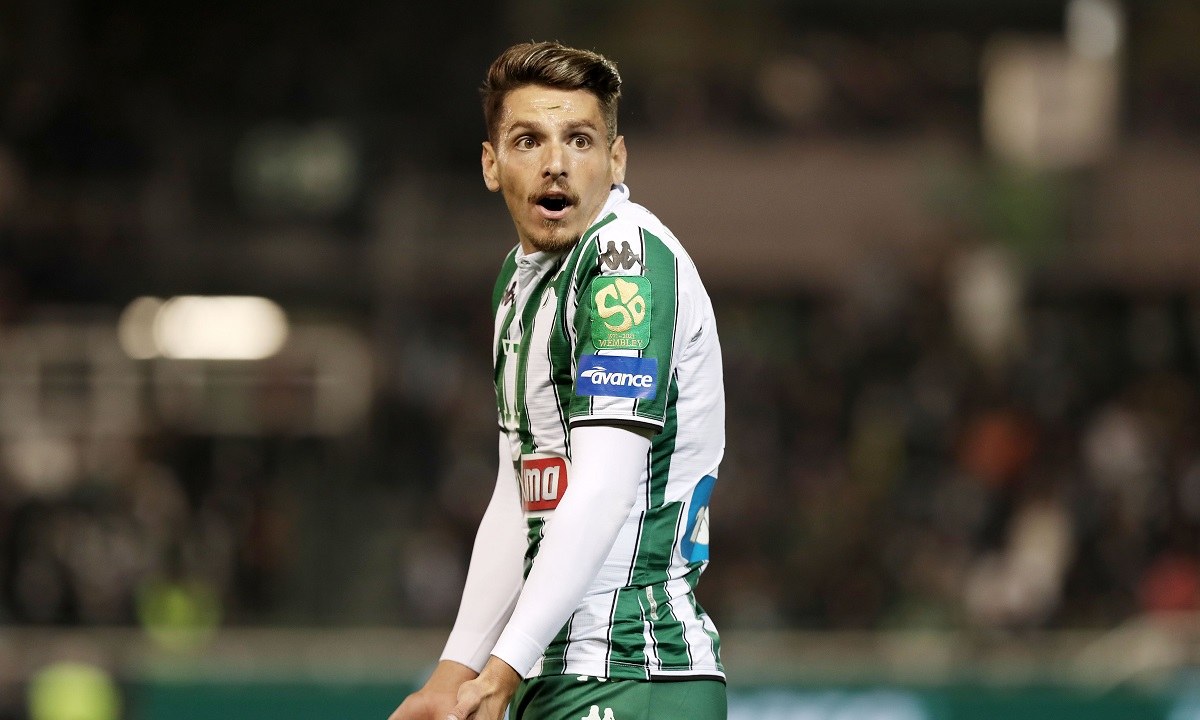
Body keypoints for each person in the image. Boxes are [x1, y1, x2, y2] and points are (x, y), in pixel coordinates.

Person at [388, 41, 726, 720]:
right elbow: (521, 495)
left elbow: (603, 486)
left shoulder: (625, 265)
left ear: (616, 160)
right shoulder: (520, 284)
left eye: (579, 139)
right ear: (491, 165)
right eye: (528, 141)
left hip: (633, 670)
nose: (556, 163)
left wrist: (502, 668)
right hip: (552, 673)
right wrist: (453, 674)